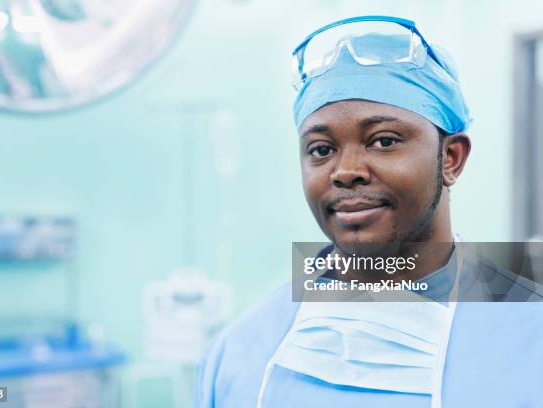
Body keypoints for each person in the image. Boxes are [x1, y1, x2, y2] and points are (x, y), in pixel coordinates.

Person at [196, 16, 543, 408]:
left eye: (383, 141)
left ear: (450, 158)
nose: (345, 172)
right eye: (321, 149)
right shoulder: (240, 355)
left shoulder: (529, 341)